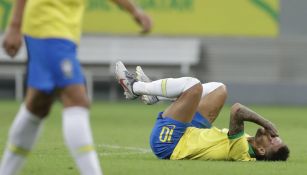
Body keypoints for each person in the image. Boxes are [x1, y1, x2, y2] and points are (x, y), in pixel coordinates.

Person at [0, 0, 152, 174]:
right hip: (47, 26)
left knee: (38, 105)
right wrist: (14, 25)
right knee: (77, 99)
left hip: (64, 33)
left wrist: (134, 11)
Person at [115, 61, 290, 161]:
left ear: (261, 150)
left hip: (170, 144)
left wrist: (267, 123)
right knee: (220, 90)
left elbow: (237, 110)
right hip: (193, 131)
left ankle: (135, 87)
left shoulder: (242, 151)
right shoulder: (248, 141)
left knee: (193, 85)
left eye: (272, 139)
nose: (271, 134)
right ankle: (156, 96)